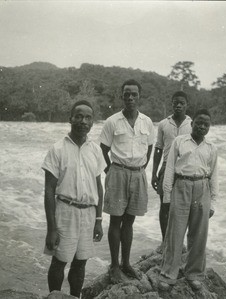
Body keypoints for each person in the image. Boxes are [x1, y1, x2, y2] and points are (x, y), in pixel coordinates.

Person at [42, 100, 105, 298]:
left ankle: (75, 296)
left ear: (92, 123)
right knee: (59, 261)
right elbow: (49, 191)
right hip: (65, 211)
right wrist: (51, 228)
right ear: (70, 119)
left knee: (81, 262)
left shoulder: (95, 149)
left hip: (88, 213)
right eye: (78, 116)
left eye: (88, 117)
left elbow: (99, 187)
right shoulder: (58, 149)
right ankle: (55, 296)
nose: (83, 121)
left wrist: (98, 220)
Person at [99, 79, 155, 284]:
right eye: (126, 94)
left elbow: (149, 147)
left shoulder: (147, 122)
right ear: (121, 96)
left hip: (138, 174)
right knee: (115, 220)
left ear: (140, 96)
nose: (130, 98)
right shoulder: (112, 121)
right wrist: (109, 169)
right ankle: (114, 266)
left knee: (129, 220)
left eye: (134, 94)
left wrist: (141, 168)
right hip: (118, 172)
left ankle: (126, 263)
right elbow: (102, 148)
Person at [159, 108, 218, 291]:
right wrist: (167, 196)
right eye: (198, 122)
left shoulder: (211, 148)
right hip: (182, 186)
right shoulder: (179, 141)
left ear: (209, 127)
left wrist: (213, 202)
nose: (201, 126)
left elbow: (214, 175)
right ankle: (169, 274)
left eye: (205, 124)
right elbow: (169, 169)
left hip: (202, 188)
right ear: (191, 123)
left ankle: (194, 273)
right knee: (175, 232)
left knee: (199, 234)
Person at [151, 91, 191, 249]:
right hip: (166, 167)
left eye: (182, 103)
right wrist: (154, 173)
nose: (178, 105)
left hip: (185, 169)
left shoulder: (192, 124)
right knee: (165, 205)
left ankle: (179, 243)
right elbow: (158, 149)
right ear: (172, 104)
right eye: (175, 102)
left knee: (182, 207)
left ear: (187, 105)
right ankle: (165, 241)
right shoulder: (163, 124)